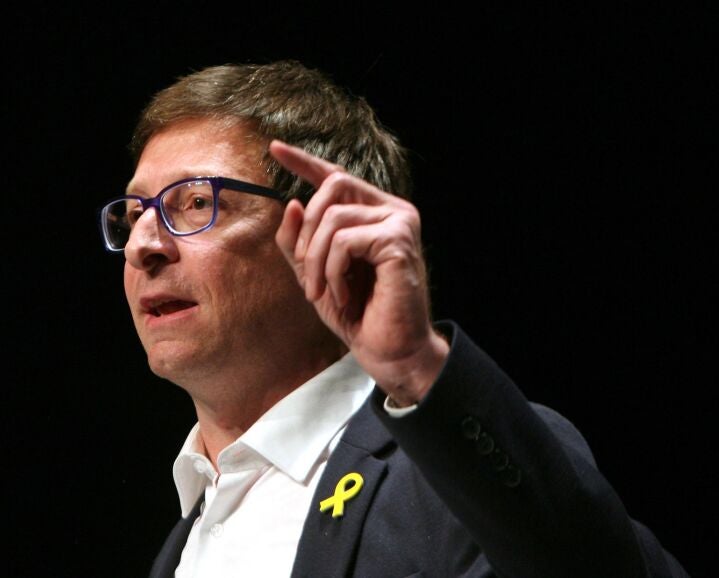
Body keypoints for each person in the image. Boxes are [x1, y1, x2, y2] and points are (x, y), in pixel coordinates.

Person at [99, 60, 688, 577]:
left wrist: (416, 368)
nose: (143, 245)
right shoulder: (181, 546)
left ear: (328, 230)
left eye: (196, 203)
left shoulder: (457, 471)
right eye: (136, 213)